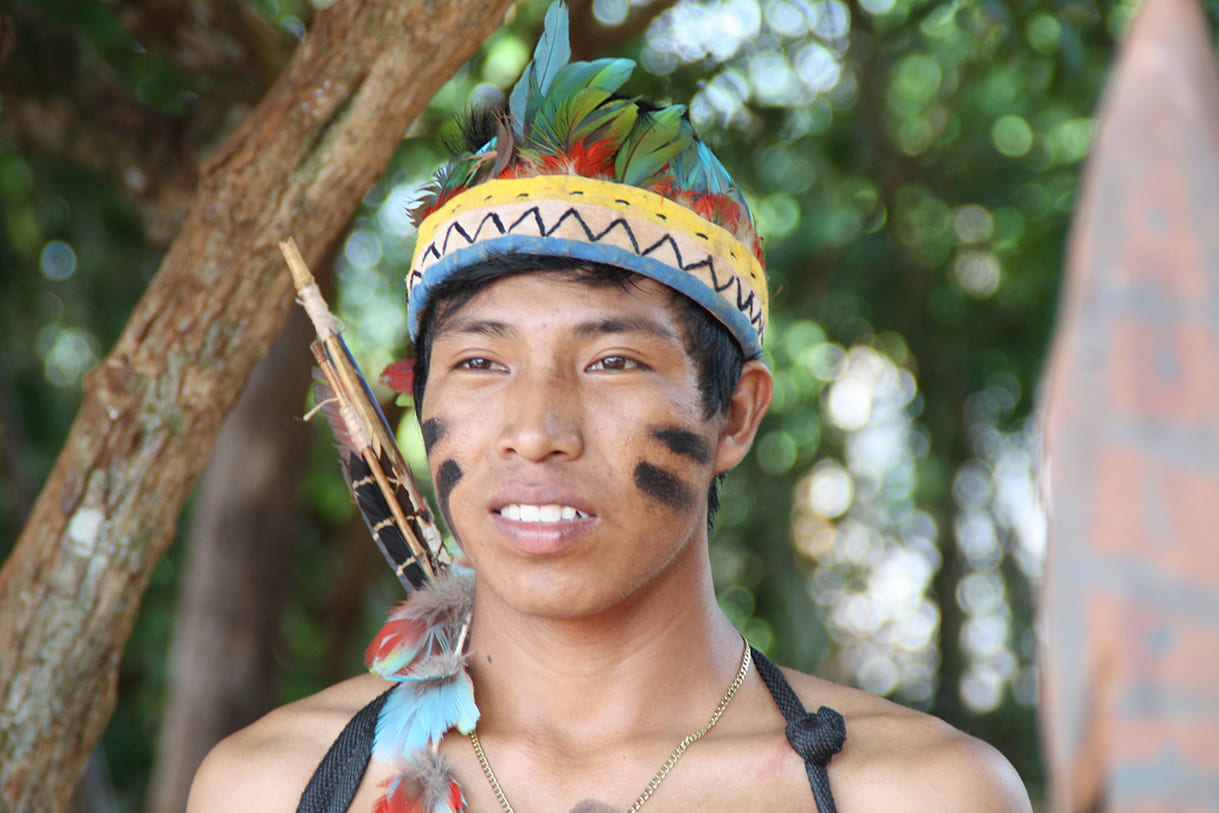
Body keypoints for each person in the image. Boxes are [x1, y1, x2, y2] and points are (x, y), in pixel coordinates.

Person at [188, 5, 1033, 812]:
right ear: (418, 399)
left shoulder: (917, 794)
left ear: (734, 414)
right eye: (481, 361)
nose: (535, 431)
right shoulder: (273, 789)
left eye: (612, 361)